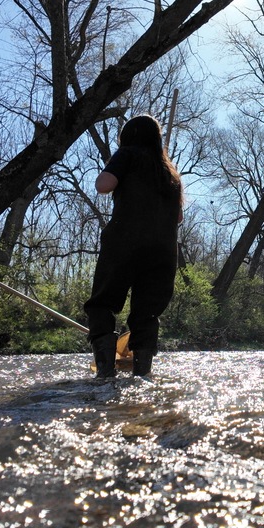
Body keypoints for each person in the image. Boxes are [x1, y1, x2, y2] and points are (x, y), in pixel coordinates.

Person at [84, 115, 183, 378]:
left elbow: (103, 186)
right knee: (147, 312)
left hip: (125, 241)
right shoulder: (169, 173)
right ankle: (142, 373)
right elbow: (179, 217)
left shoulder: (127, 154)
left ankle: (105, 373)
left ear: (128, 137)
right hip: (162, 250)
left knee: (103, 303)